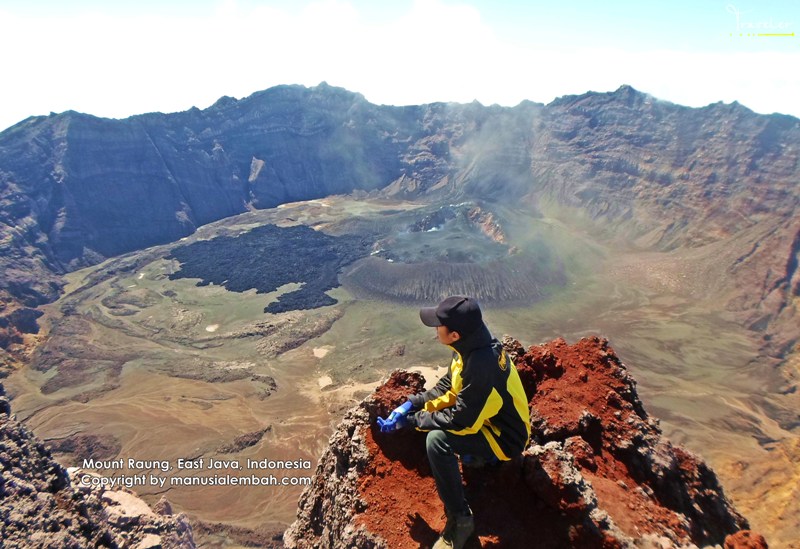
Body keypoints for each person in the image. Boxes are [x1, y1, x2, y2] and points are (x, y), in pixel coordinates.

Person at [377, 295, 531, 549]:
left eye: (439, 325)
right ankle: (480, 458)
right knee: (437, 427)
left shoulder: (481, 366)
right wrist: (412, 404)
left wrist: (413, 421)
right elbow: (449, 388)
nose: (436, 329)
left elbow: (460, 421)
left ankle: (461, 522)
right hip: (487, 418)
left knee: (437, 441)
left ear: (454, 335)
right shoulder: (473, 345)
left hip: (506, 437)